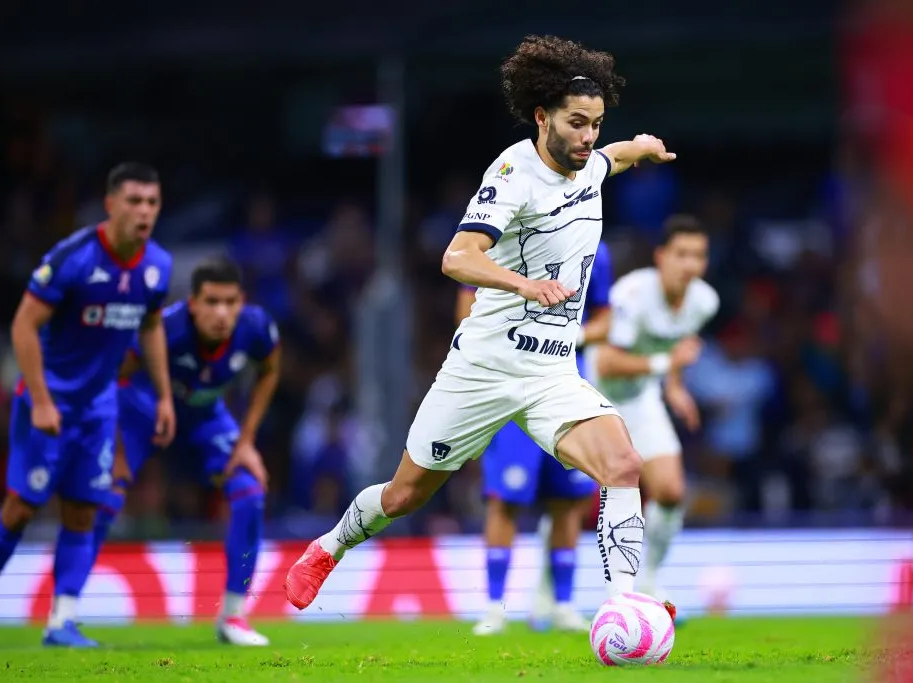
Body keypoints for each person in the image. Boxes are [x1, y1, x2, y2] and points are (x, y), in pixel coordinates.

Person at [284, 34, 678, 619]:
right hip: (484, 367)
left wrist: (637, 147)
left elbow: (608, 160)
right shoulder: (514, 172)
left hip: (550, 372)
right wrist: (523, 284)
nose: (588, 136)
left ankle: (627, 606)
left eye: (595, 123)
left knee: (623, 465)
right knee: (404, 494)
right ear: (542, 117)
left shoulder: (587, 163)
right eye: (576, 123)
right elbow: (457, 257)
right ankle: (329, 546)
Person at [0, 163, 175, 647]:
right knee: (21, 506)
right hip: (47, 402)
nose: (144, 212)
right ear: (111, 204)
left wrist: (164, 395)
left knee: (83, 511)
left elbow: (151, 327)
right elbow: (23, 326)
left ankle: (61, 622)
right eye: (134, 201)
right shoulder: (72, 257)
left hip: (99, 407)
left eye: (152, 203)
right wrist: (43, 402)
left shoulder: (158, 265)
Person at [93, 257, 280, 646]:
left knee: (250, 491)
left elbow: (269, 371)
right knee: (105, 495)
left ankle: (233, 617)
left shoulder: (257, 328)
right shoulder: (163, 329)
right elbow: (117, 376)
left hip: (204, 419)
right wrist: (120, 452)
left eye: (230, 302)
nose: (222, 313)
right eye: (212, 302)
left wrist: (245, 441)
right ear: (192, 303)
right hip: (145, 412)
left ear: (241, 302)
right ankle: (63, 614)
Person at [459, 239, 612, 635]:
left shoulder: (595, 245)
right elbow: (466, 313)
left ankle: (563, 605)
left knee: (567, 501)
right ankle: (495, 608)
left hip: (566, 389)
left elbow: (605, 320)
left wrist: (571, 338)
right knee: (505, 501)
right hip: (510, 389)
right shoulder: (500, 241)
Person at [593, 214, 718, 598]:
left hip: (641, 398)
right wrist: (668, 367)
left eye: (697, 256)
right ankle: (548, 598)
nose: (689, 265)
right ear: (661, 257)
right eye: (681, 254)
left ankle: (646, 584)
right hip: (595, 398)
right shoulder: (632, 294)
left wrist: (675, 388)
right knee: (566, 500)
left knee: (670, 491)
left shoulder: (703, 301)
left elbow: (676, 346)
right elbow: (606, 362)